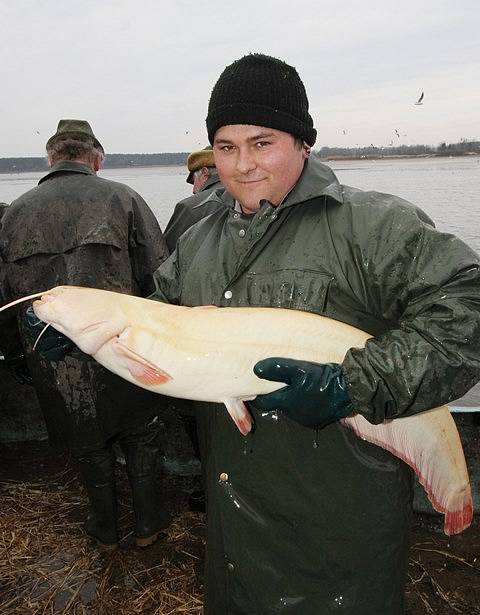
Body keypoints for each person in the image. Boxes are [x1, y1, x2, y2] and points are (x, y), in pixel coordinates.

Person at [151, 54, 480, 614]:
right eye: (226, 147)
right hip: (233, 528)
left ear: (304, 142)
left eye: (262, 142)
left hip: (339, 527)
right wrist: (89, 336)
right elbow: (161, 326)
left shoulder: (370, 225)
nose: (242, 165)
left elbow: (466, 308)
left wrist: (352, 383)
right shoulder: (198, 242)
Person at [0, 119, 171, 550]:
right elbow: (162, 280)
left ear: (52, 158)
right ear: (95, 158)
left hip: (54, 362)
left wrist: (18, 359)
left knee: (87, 445)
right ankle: (149, 526)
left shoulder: (13, 214)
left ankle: (105, 532)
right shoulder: (125, 199)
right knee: (142, 435)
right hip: (123, 348)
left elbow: (4, 301)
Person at [163, 146, 224, 252]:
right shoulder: (249, 198)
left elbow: (165, 254)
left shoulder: (190, 206)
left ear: (205, 173)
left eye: (194, 180)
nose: (193, 189)